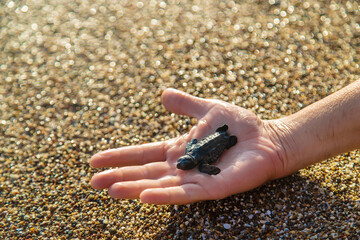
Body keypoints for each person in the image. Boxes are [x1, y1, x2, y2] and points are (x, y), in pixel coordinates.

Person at [89, 80, 360, 205]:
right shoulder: (196, 154)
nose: (183, 164)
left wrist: (281, 142)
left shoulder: (198, 155)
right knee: (224, 140)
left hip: (220, 140)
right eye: (184, 164)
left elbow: (200, 157)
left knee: (226, 140)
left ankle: (227, 138)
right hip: (217, 141)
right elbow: (196, 154)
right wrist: (285, 140)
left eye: (183, 164)